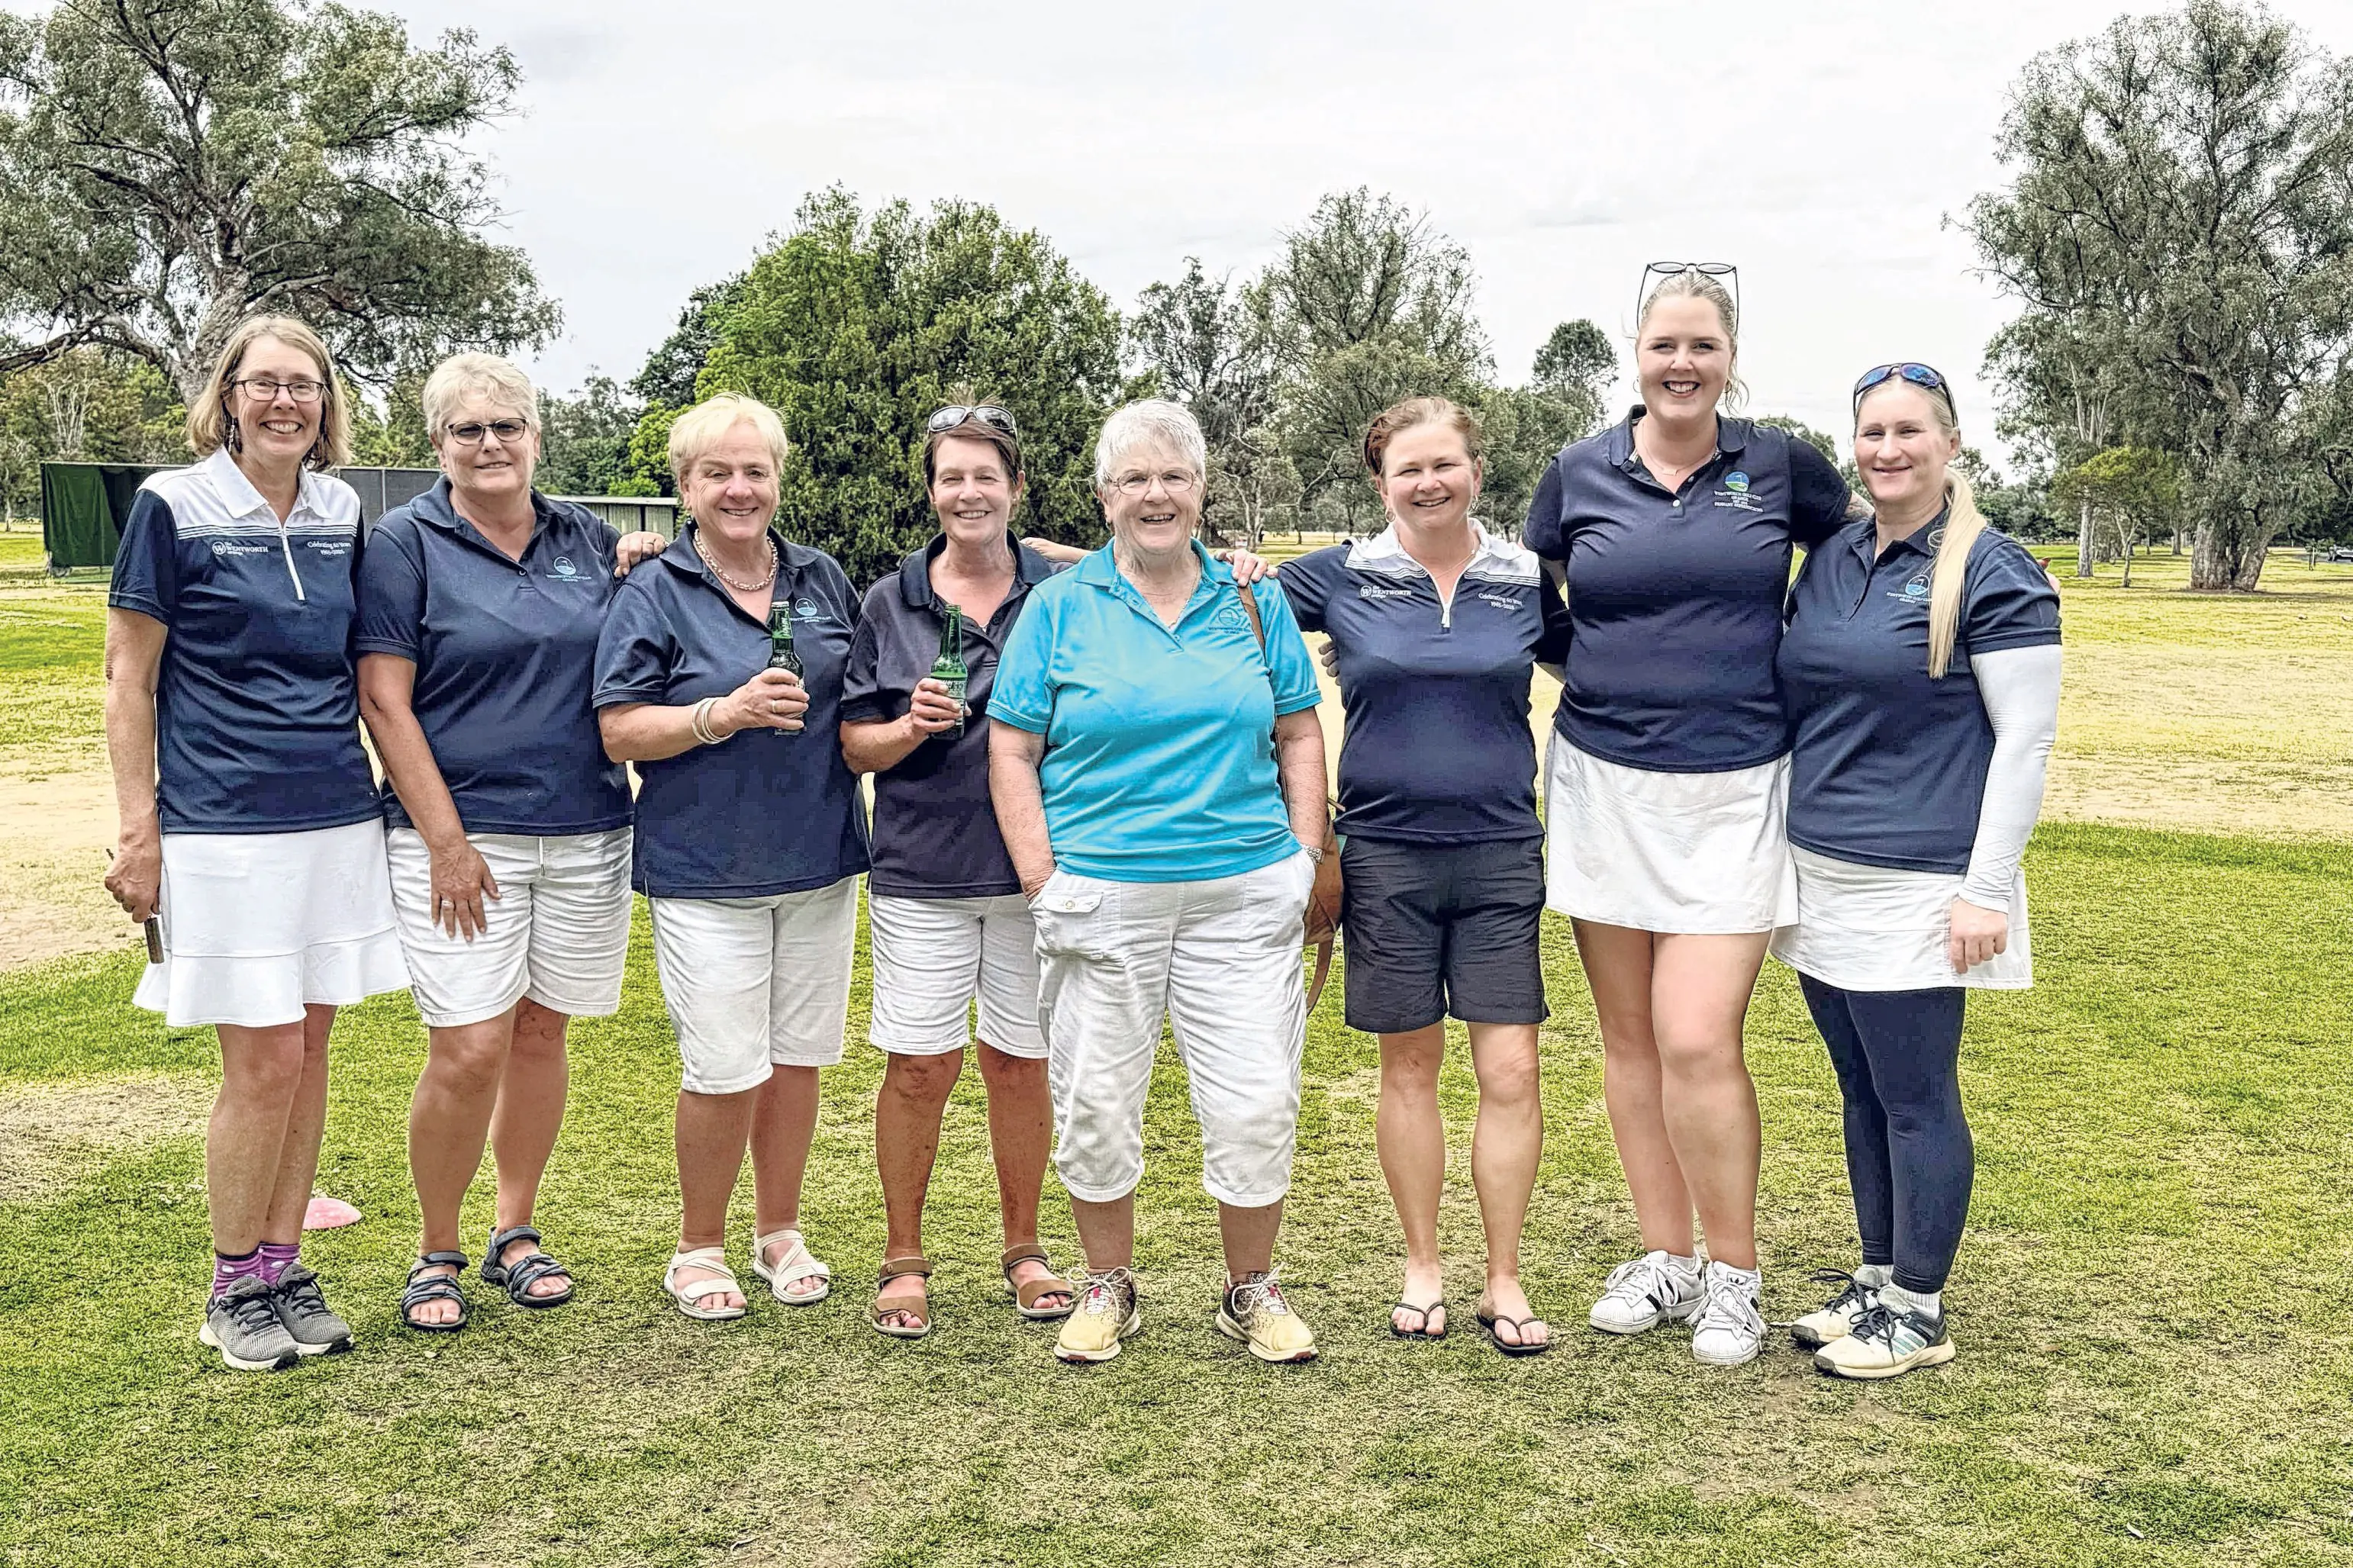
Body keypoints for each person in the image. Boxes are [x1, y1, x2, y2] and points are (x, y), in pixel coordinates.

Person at [1522, 266, 1852, 1367]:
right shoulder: (1575, 472)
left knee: (1695, 1033)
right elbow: (1543, 608)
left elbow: (1857, 557)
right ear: (1635, 350)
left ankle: (1734, 1273)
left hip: (1736, 786)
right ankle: (1663, 1256)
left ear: (1729, 354)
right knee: (1625, 1038)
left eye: (1701, 345)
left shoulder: (1778, 466)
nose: (1680, 364)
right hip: (1601, 782)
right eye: (1663, 343)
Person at [988, 398, 1329, 1366]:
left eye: (1172, 477)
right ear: (1103, 497)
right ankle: (1107, 1284)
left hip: (1242, 891)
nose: (1154, 495)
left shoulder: (1253, 599)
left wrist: (1301, 858)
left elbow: (1299, 731)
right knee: (1096, 1100)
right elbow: (1011, 752)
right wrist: (1043, 881)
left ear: (1199, 489)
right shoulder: (1057, 607)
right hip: (1101, 893)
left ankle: (1249, 1289)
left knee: (1256, 1099)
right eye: (1133, 479)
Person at [102, 314, 409, 1372]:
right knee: (264, 1057)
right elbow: (127, 677)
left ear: (327, 403)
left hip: (334, 815)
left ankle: (283, 1264)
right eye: (265, 383)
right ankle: (231, 1279)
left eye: (306, 384)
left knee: (314, 1046)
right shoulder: (170, 505)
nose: (287, 401)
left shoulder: (340, 509)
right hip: (221, 827)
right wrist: (138, 826)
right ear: (226, 395)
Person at [356, 353, 666, 1332]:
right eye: (466, 430)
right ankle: (434, 1250)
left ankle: (514, 1233)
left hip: (583, 826)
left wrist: (649, 566)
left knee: (540, 1032)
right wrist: (445, 841)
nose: (489, 445)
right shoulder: (404, 543)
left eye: (506, 427)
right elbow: (382, 700)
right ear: (436, 444)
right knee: (469, 1043)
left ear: (537, 435)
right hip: (460, 838)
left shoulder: (588, 536)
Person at [1772, 362, 2061, 1379]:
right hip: (1819, 867)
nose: (1885, 448)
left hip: (1921, 876)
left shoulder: (1992, 567)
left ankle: (1919, 1310)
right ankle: (1878, 1273)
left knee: (1913, 1093)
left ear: (1947, 443)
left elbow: (2022, 741)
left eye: (1907, 430)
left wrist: (1985, 887)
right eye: (1870, 431)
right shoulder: (1836, 553)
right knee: (1857, 1086)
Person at [1281, 398, 1570, 1356]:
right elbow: (1198, 594)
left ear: (1476, 471)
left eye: (1444, 464)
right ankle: (1421, 1267)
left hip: (1497, 853)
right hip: (1385, 857)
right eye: (1408, 469)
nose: (1428, 482)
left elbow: (1615, 665)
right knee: (1407, 1068)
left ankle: (1503, 1276)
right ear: (1379, 483)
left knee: (1512, 1068)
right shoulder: (1341, 577)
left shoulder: (1527, 581)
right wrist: (1076, 562)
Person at [593, 393, 868, 1322]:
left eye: (755, 471)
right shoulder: (653, 588)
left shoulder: (823, 579)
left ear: (779, 480)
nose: (739, 489)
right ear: (685, 488)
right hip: (706, 870)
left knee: (796, 1060)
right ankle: (697, 1246)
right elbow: (619, 728)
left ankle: (778, 1232)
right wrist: (720, 714)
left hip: (820, 858)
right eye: (718, 473)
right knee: (721, 1066)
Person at [838, 402, 1075, 1338]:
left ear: (1014, 489)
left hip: (1037, 872)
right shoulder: (886, 600)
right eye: (951, 477)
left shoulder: (1062, 593)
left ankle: (1024, 1250)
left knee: (1021, 1066)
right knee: (918, 1067)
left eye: (985, 476)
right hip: (921, 871)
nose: (967, 492)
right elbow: (854, 746)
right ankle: (904, 1256)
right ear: (931, 491)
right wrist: (908, 728)